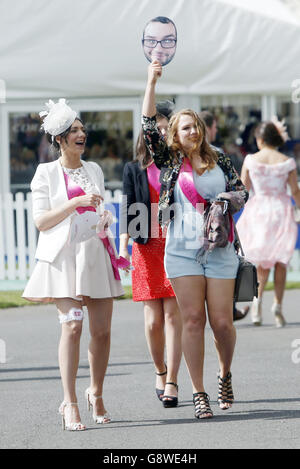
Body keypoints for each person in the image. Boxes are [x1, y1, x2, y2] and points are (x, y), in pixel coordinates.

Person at [142, 61, 249, 419]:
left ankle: (224, 374)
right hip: (182, 252)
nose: (192, 131)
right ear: (175, 133)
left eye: (195, 126)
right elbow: (146, 125)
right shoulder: (170, 161)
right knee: (192, 321)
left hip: (219, 251)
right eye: (185, 127)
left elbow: (241, 192)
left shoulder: (220, 159)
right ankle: (199, 392)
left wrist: (225, 201)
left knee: (222, 323)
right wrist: (151, 81)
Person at [23, 99, 127, 431]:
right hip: (62, 258)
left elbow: (97, 209)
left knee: (102, 331)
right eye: (74, 130)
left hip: (94, 254)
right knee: (72, 324)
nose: (81, 133)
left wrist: (105, 216)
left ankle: (95, 393)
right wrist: (75, 203)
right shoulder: (46, 172)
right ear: (60, 139)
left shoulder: (93, 169)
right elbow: (41, 221)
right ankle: (68, 402)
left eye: (82, 128)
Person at [120, 111, 182, 408]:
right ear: (146, 135)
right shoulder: (133, 168)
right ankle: (160, 370)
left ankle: (172, 381)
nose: (161, 133)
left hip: (176, 245)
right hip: (146, 246)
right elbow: (129, 207)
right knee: (152, 322)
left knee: (173, 316)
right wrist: (123, 247)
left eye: (165, 128)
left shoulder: (178, 164)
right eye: (156, 128)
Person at [237, 117, 300, 327]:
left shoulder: (251, 160)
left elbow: (244, 189)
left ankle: (257, 303)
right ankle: (278, 306)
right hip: (281, 210)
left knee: (262, 264)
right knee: (281, 261)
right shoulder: (287, 161)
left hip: (259, 210)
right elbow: (295, 190)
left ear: (260, 139)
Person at [200, 110, 250, 322]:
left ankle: (227, 311)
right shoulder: (212, 153)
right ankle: (227, 310)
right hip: (207, 229)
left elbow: (241, 190)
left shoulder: (216, 154)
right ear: (208, 128)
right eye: (215, 128)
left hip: (209, 230)